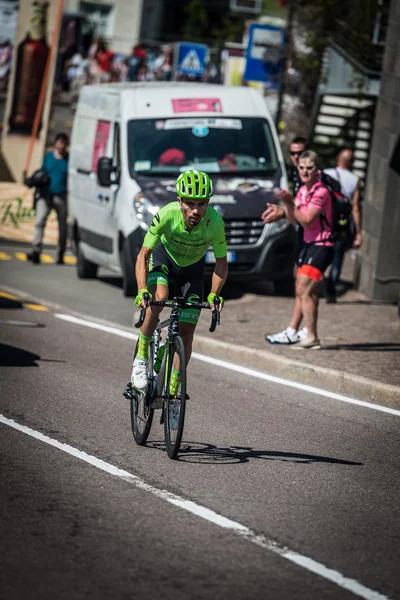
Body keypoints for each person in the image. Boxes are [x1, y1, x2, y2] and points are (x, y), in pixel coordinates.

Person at [130, 170, 228, 392]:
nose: (195, 210)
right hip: (164, 258)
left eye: (202, 204)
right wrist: (142, 290)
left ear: (208, 203)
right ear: (179, 201)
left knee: (186, 333)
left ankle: (174, 392)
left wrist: (214, 293)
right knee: (159, 300)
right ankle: (142, 357)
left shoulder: (215, 222)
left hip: (192, 269)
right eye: (190, 204)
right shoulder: (166, 215)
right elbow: (143, 255)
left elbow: (221, 263)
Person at [266, 150, 334, 348]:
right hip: (308, 244)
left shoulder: (320, 192)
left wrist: (289, 201)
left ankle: (311, 336)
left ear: (317, 170)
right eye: (301, 168)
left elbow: (307, 220)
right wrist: (287, 206)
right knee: (305, 291)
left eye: (309, 168)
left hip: (322, 246)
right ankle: (308, 334)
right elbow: (294, 219)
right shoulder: (304, 190)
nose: (305, 171)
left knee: (304, 289)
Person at [262, 136, 309, 344]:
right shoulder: (297, 176)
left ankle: (297, 331)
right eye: (293, 153)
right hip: (305, 237)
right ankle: (305, 330)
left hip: (317, 240)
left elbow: (307, 213)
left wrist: (285, 209)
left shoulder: (313, 177)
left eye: (301, 153)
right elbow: (298, 211)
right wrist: (284, 210)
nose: (296, 157)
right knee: (304, 287)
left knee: (303, 287)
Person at [323, 148, 362, 303]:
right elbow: (355, 208)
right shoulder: (355, 180)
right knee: (338, 256)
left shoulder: (326, 173)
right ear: (351, 163)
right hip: (342, 223)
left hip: (325, 221)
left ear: (338, 158)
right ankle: (331, 284)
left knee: (321, 250)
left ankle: (320, 280)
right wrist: (358, 232)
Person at [26, 133, 69, 265]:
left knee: (62, 226)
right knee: (40, 221)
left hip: (61, 196)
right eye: (59, 142)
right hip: (46, 194)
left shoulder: (68, 160)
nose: (61, 145)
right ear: (55, 143)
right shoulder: (49, 157)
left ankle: (61, 252)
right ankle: (36, 251)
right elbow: (42, 172)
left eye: (64, 142)